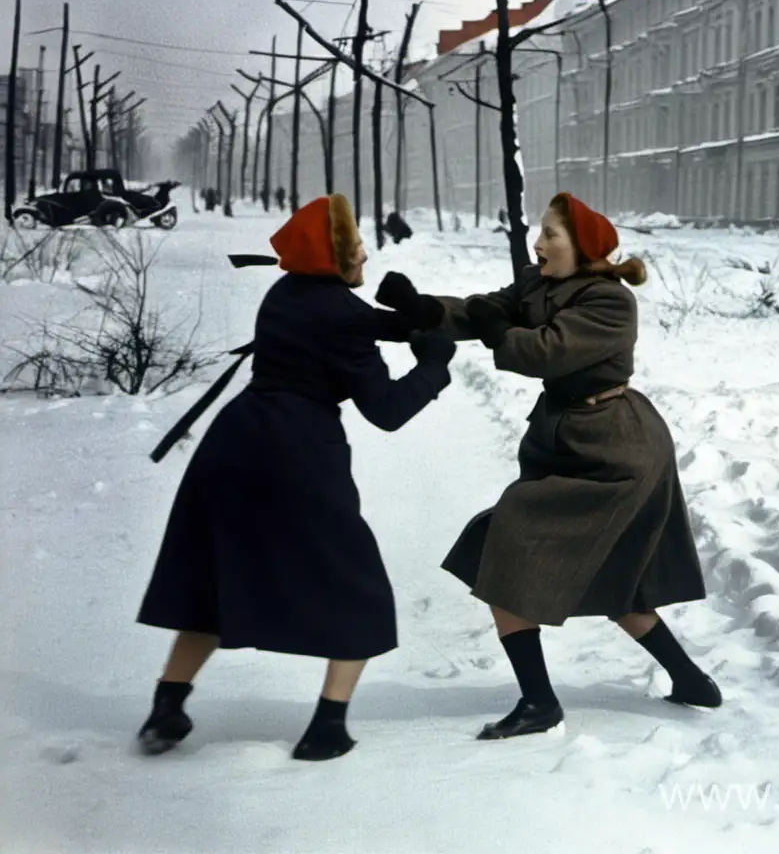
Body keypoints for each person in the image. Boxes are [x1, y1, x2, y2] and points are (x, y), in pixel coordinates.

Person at [374, 192, 721, 741]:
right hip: (574, 442)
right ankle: (691, 680)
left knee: (506, 545)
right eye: (539, 232)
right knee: (613, 577)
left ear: (581, 248)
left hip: (616, 450)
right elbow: (479, 308)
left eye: (551, 235)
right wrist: (418, 313)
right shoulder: (540, 284)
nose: (538, 242)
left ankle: (539, 702)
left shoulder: (609, 302)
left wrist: (495, 329)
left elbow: (543, 352)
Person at [135, 193, 457, 762]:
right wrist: (433, 367)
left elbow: (347, 323)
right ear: (333, 255)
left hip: (233, 443)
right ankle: (327, 728)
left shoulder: (284, 292)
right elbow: (385, 409)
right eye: (355, 244)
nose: (364, 251)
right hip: (298, 453)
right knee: (360, 591)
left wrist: (416, 322)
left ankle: (167, 706)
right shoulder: (345, 314)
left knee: (214, 577)